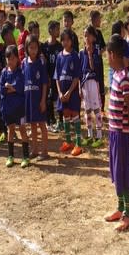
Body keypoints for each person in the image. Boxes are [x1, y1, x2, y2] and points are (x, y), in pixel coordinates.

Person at [104, 34, 129, 232]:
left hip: (122, 134)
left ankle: (128, 213)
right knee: (116, 171)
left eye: (107, 55)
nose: (106, 58)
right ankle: (119, 207)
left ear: (113, 54)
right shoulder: (115, 75)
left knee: (124, 173)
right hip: (114, 132)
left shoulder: (125, 77)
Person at [0, 45, 30, 168]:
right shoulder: (3, 72)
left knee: (22, 130)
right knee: (10, 130)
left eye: (12, 58)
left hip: (19, 108)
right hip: (8, 108)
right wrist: (10, 88)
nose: (10, 61)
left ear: (17, 59)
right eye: (8, 59)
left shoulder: (20, 72)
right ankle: (11, 156)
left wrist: (12, 88)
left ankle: (26, 157)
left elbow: (21, 88)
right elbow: (2, 89)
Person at [55, 28, 83, 156]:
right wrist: (60, 92)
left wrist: (70, 92)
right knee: (66, 115)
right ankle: (68, 142)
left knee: (74, 114)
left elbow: (77, 77)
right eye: (63, 40)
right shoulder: (59, 56)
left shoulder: (75, 56)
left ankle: (78, 144)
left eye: (68, 40)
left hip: (72, 93)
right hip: (63, 93)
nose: (65, 42)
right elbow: (57, 77)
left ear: (71, 41)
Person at [23, 35, 49, 160]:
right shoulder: (24, 63)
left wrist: (43, 100)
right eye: (31, 48)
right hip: (29, 99)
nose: (33, 50)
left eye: (35, 48)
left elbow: (44, 83)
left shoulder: (41, 63)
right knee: (32, 125)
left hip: (39, 99)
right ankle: (34, 150)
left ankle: (44, 151)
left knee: (42, 125)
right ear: (27, 48)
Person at [79, 26, 104, 148]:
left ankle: (99, 135)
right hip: (84, 84)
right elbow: (80, 72)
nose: (86, 38)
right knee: (87, 109)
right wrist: (79, 86)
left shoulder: (96, 52)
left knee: (96, 109)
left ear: (93, 38)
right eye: (84, 35)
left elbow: (94, 68)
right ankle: (89, 134)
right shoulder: (81, 52)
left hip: (93, 82)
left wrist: (90, 55)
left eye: (88, 35)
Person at [41, 20, 63, 133]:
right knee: (49, 100)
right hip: (48, 78)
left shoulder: (60, 46)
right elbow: (43, 64)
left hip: (58, 78)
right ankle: (50, 122)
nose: (58, 31)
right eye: (56, 29)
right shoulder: (44, 47)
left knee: (59, 99)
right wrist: (47, 77)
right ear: (50, 31)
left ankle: (61, 121)